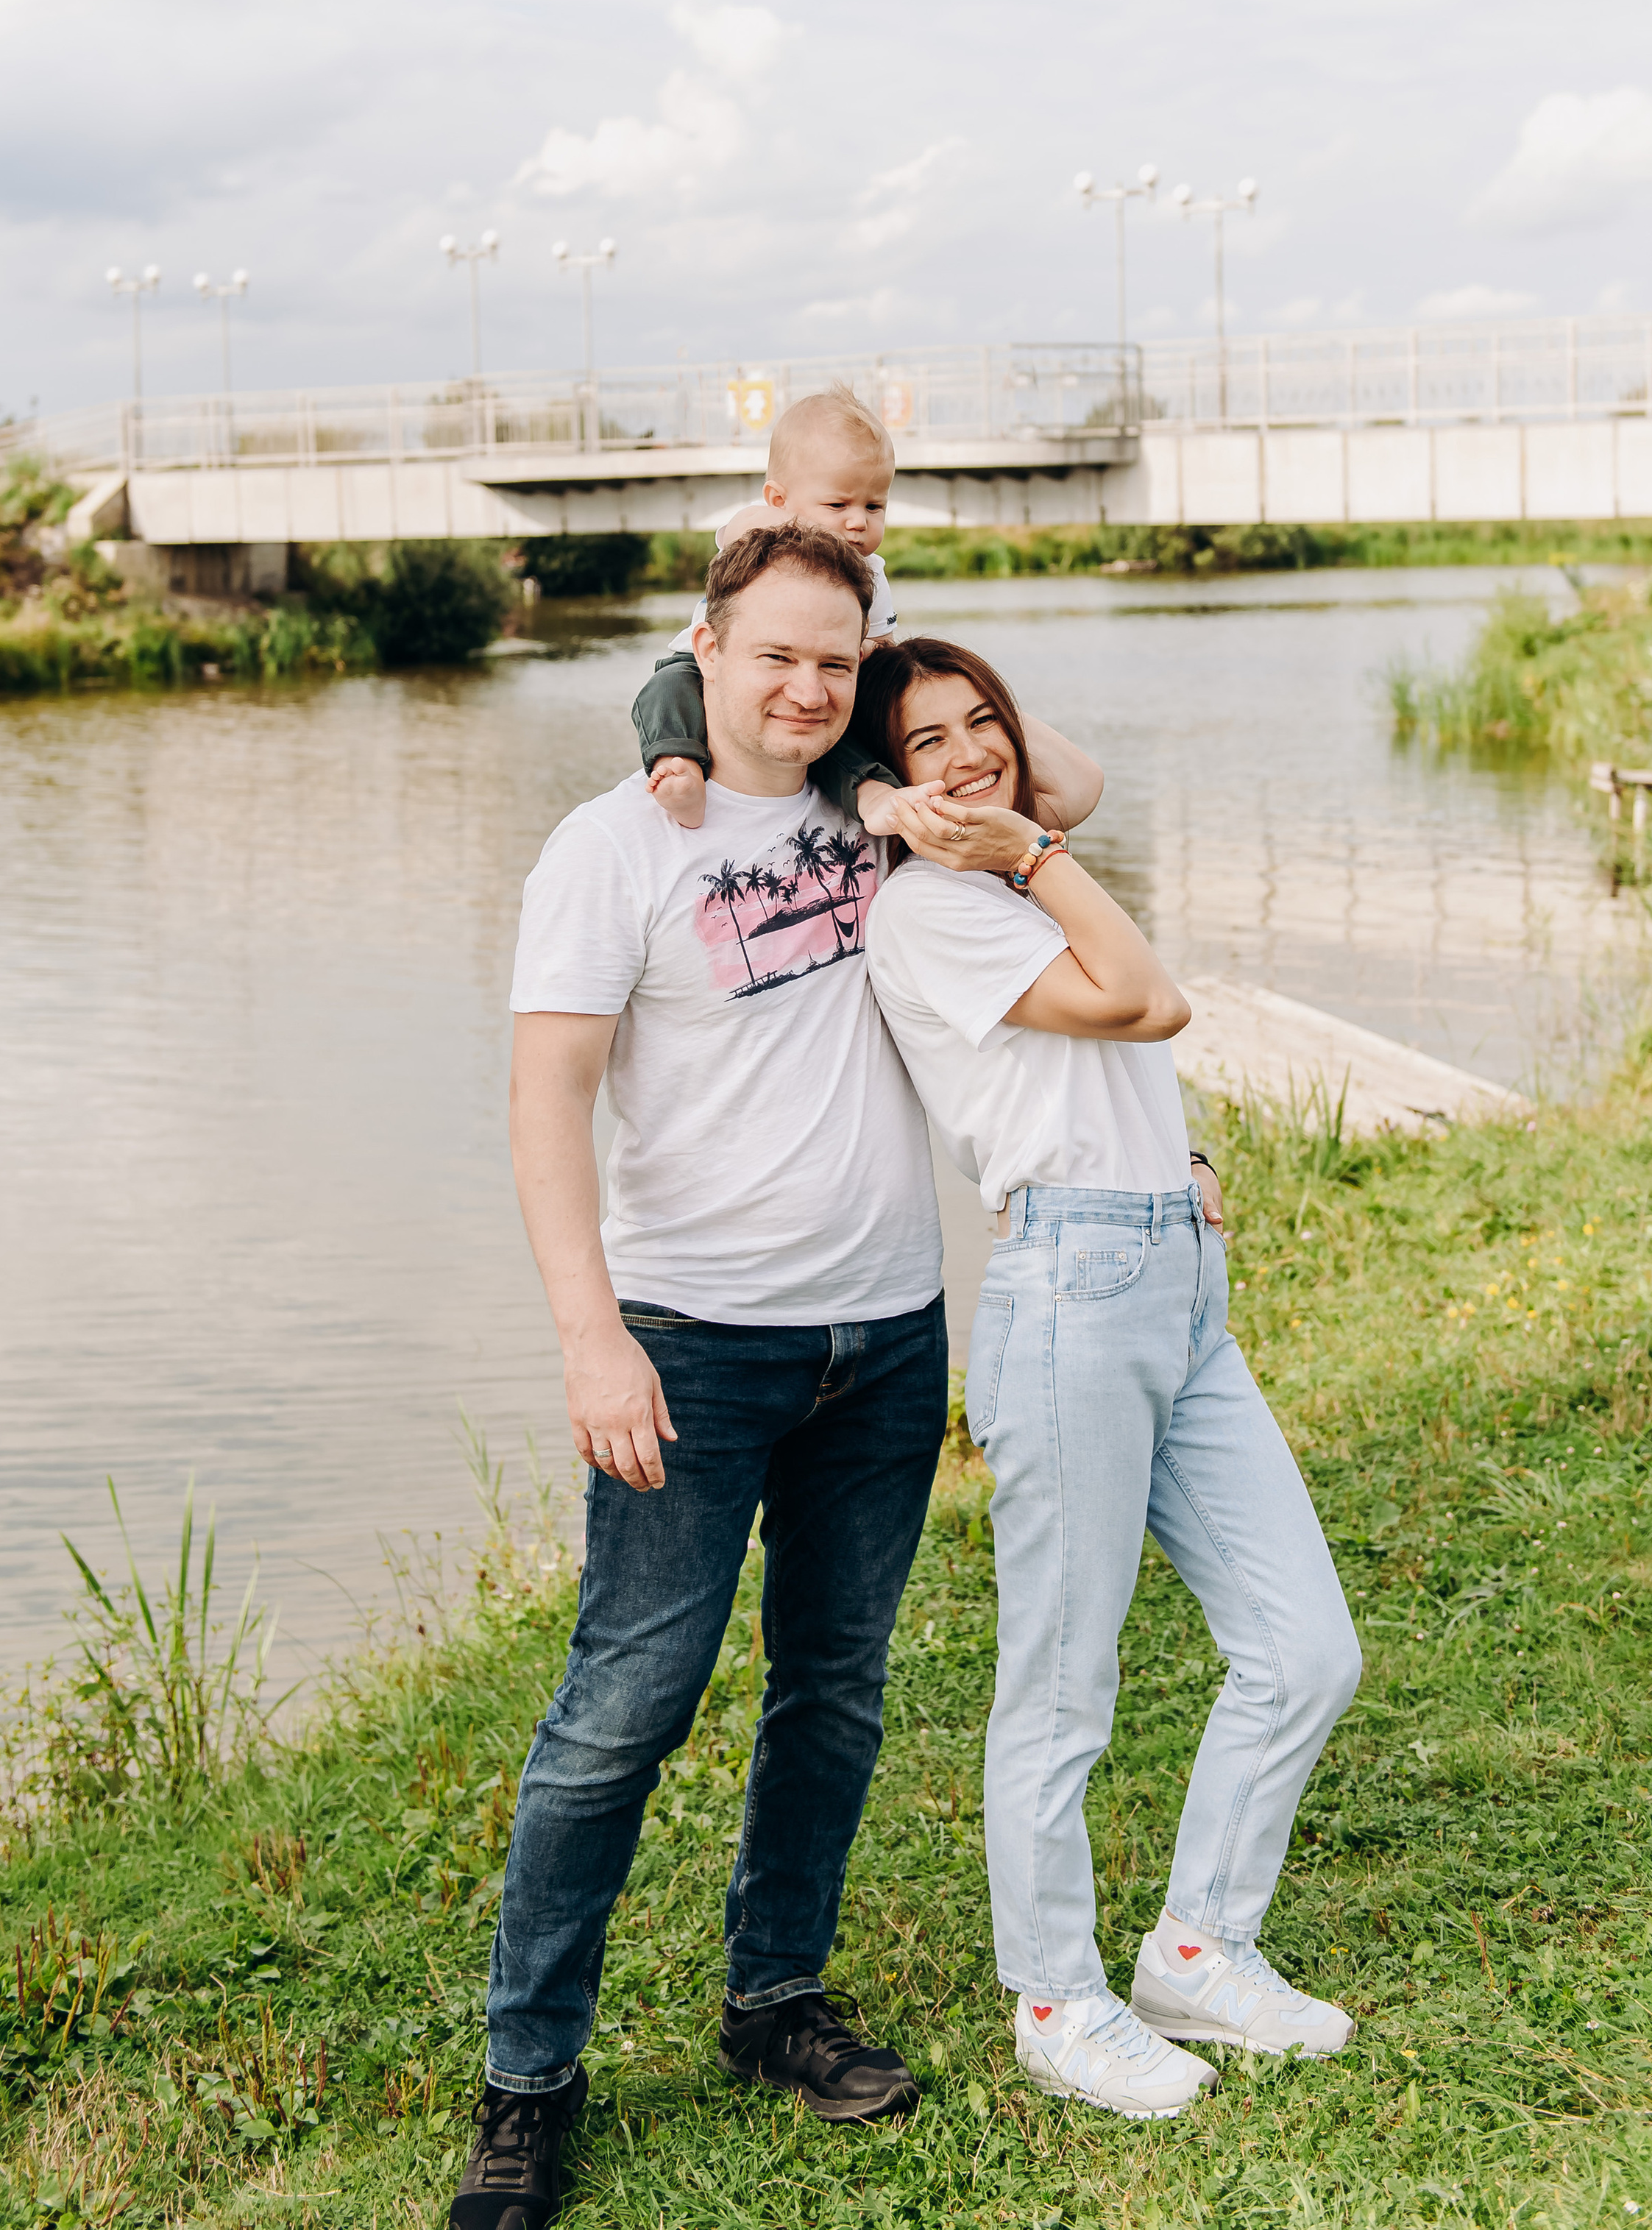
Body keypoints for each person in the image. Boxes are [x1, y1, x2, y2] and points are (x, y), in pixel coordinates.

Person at [450, 524, 946, 2230]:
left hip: (885, 1332)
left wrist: (905, 745)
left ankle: (775, 1998)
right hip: (691, 1343)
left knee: (835, 1682)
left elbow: (1066, 789)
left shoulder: (880, 802)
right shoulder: (611, 846)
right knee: (618, 1713)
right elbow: (544, 1102)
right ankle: (527, 2084)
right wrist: (591, 1335)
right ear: (703, 650)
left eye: (837, 659)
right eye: (774, 657)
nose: (804, 688)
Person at [854, 635, 1363, 2125]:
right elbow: (1142, 1000)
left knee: (1303, 1648)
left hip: (1176, 1286)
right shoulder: (928, 914)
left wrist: (1004, 800)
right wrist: (1012, 847)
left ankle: (1197, 1948)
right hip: (1070, 1297)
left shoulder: (1010, 852)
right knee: (1060, 1687)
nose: (971, 758)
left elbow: (1068, 780)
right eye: (924, 744)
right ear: (882, 786)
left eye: (981, 727)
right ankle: (1055, 2000)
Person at [631, 384, 901, 831]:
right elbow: (743, 528)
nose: (858, 522)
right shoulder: (758, 528)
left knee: (840, 721)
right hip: (691, 664)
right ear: (778, 501)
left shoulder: (870, 571)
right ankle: (678, 763)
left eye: (875, 506)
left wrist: (867, 657)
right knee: (665, 691)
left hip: (818, 695)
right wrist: (807, 540)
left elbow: (884, 642)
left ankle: (867, 787)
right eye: (837, 505)